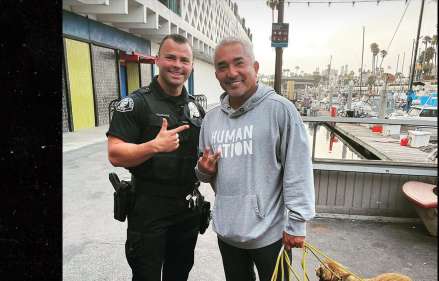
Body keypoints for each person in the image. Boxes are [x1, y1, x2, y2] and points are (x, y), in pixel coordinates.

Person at [195, 37, 316, 281]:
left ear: (256, 67)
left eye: (239, 63)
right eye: (222, 66)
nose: (231, 73)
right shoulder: (210, 120)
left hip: (271, 236)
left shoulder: (280, 110)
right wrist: (203, 170)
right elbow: (203, 172)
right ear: (216, 74)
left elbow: (298, 169)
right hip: (228, 234)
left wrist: (297, 223)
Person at [106, 34, 204, 281]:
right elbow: (115, 153)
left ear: (191, 66)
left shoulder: (196, 108)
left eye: (184, 60)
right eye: (170, 57)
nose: (177, 65)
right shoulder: (135, 103)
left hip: (186, 209)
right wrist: (153, 146)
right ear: (157, 60)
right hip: (148, 209)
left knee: (179, 275)